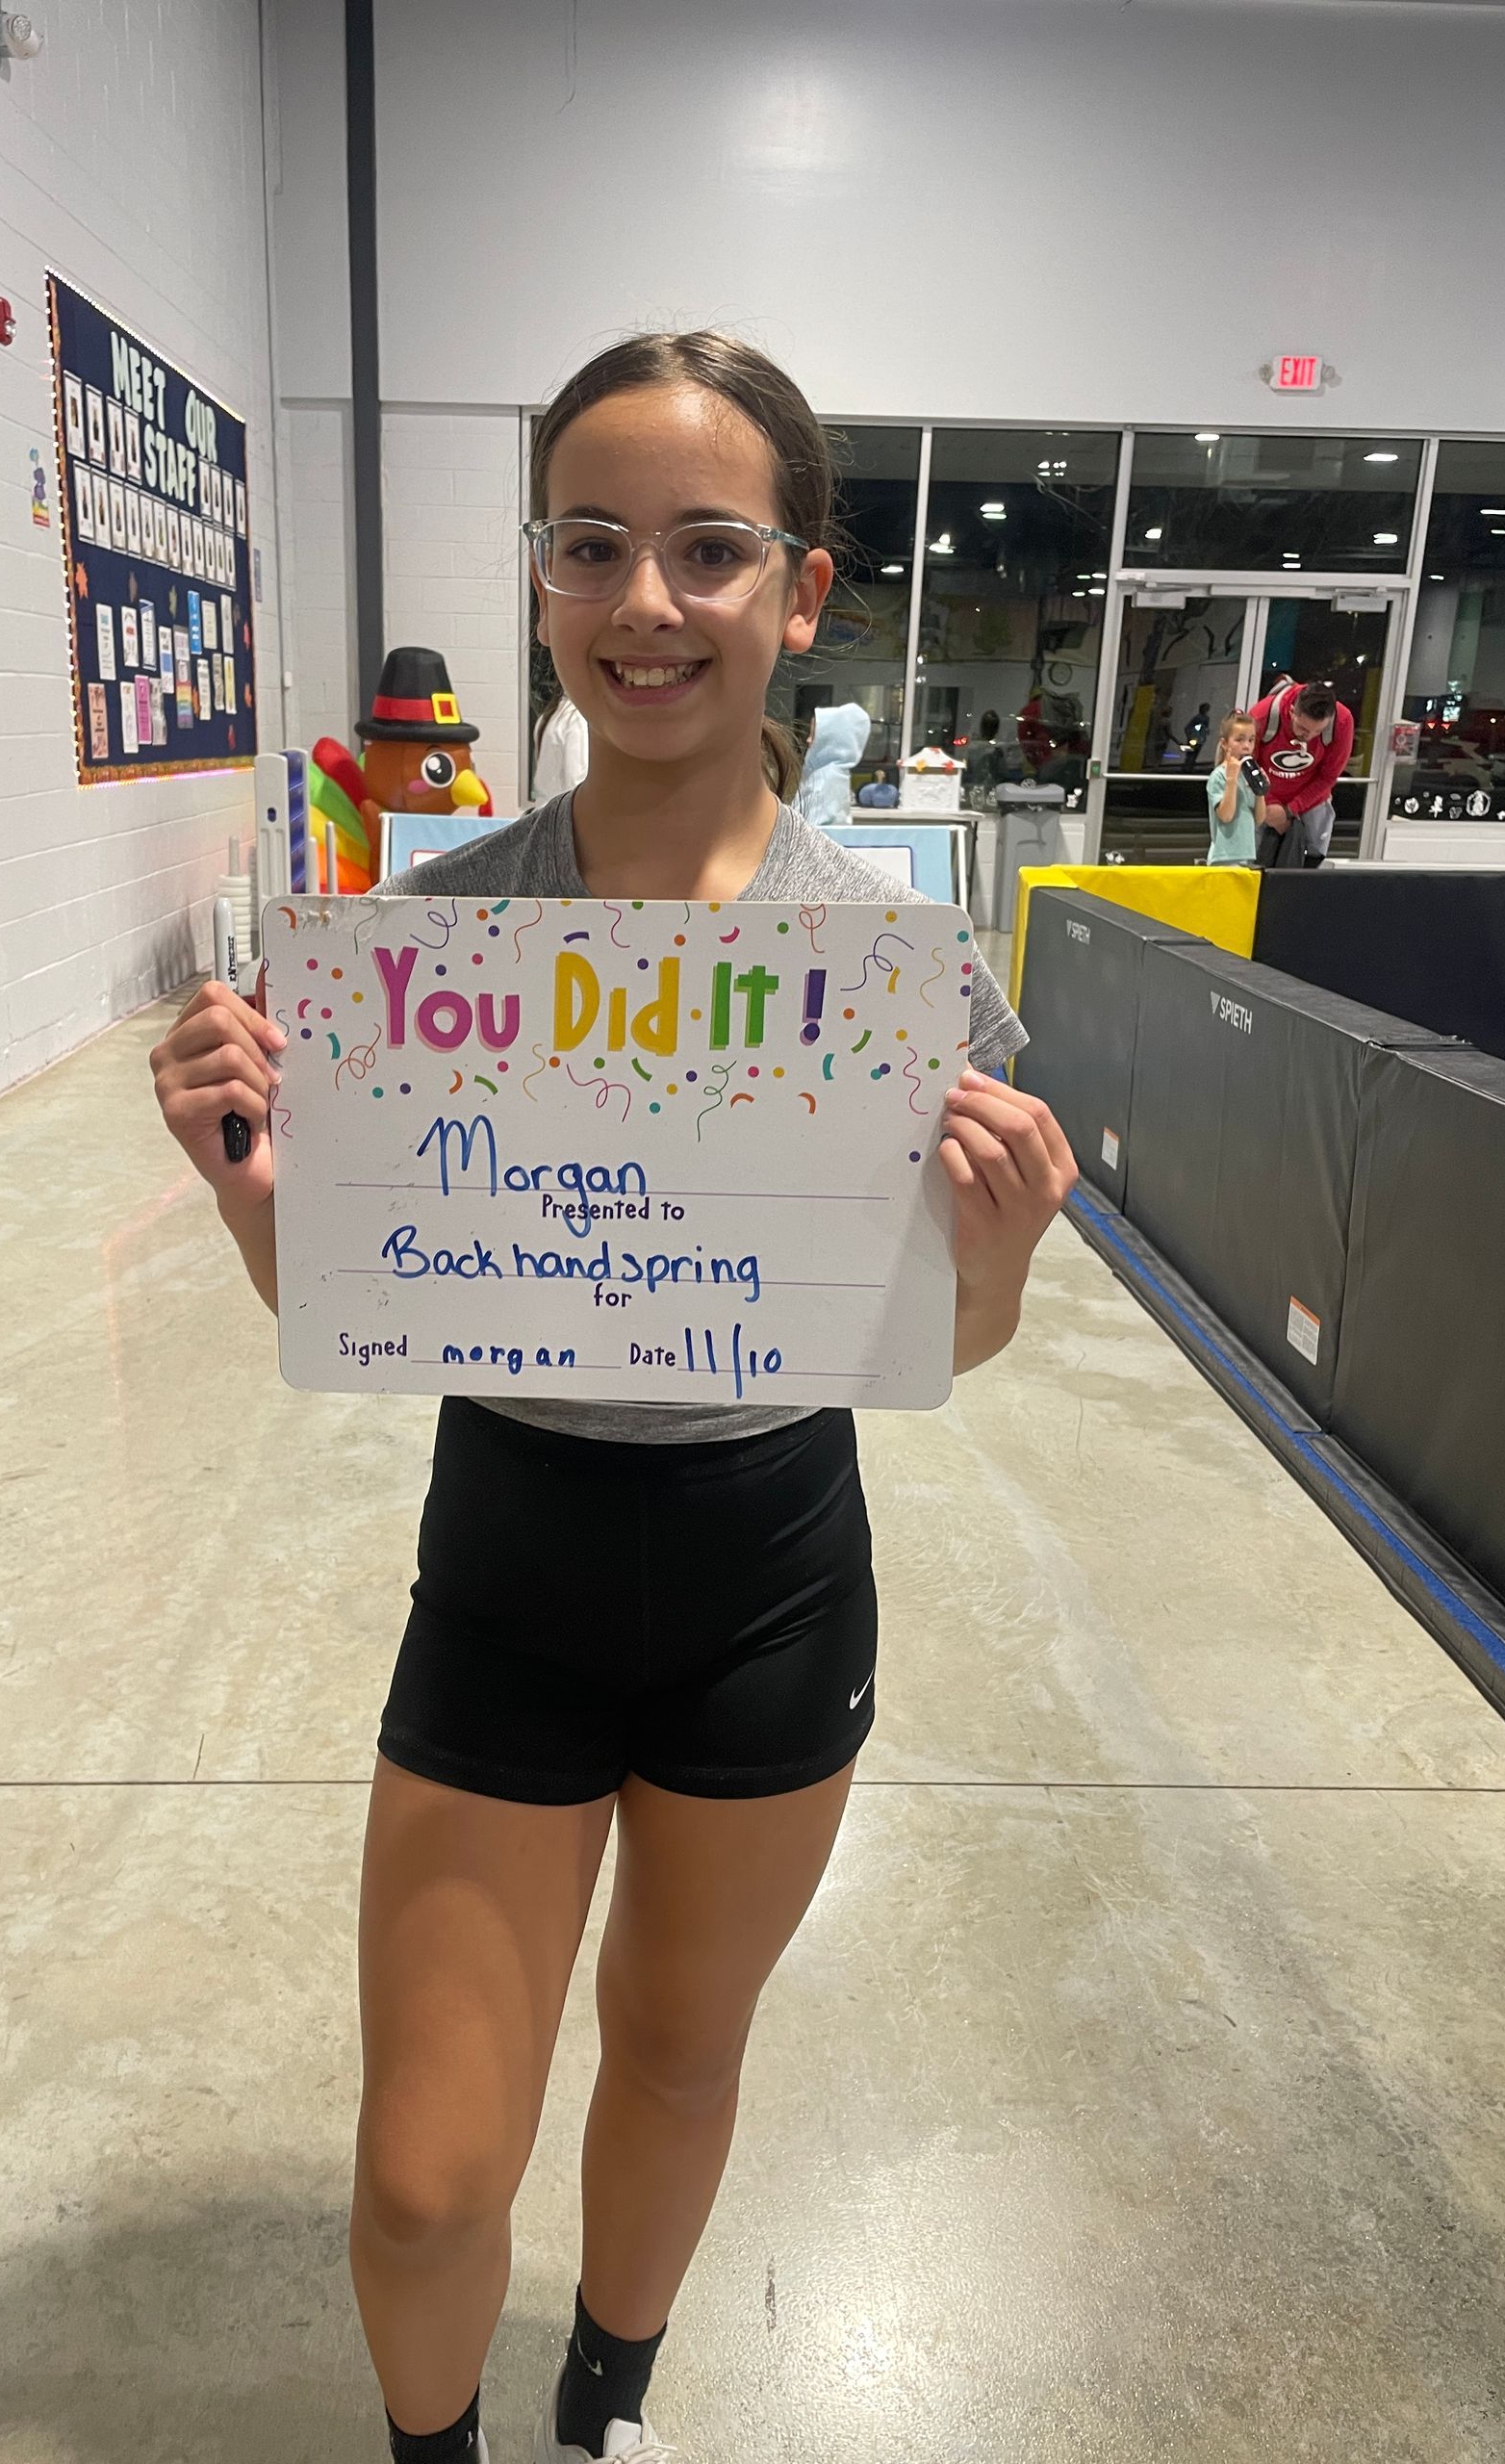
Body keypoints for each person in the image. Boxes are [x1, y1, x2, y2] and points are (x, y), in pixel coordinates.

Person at [148, 329, 1076, 2464]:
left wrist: (1001, 1244)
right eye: (595, 547)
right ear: (546, 579)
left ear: (800, 587)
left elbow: (937, 1333)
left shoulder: (889, 967)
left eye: (707, 549)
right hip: (511, 1562)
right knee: (425, 2173)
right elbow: (369, 1297)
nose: (647, 602)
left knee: (675, 2053)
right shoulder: (426, 940)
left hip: (770, 1580)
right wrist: (249, 1174)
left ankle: (607, 2400)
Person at [1251, 677, 1353, 869]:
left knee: (1314, 854)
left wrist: (1290, 809)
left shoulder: (1342, 721)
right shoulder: (1263, 715)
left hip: (1310, 799)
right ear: (1291, 712)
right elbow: (1248, 767)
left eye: (1318, 731)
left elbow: (1328, 777)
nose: (1310, 737)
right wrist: (1269, 804)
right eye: (1303, 729)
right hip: (1264, 795)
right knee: (1252, 860)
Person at [1204, 708, 1270, 864]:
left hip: (1246, 854)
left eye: (1251, 740)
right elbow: (1226, 816)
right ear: (1225, 744)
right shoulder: (1219, 776)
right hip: (1223, 856)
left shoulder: (1248, 774)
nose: (1246, 746)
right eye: (1239, 740)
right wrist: (1232, 779)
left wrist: (1260, 791)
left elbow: (1259, 819)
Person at [793, 698, 871, 826]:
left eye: (813, 735)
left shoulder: (826, 776)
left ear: (832, 738)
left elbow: (817, 823)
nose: (808, 740)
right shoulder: (830, 772)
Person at [533, 689, 591, 801]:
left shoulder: (551, 715)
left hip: (547, 809)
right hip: (562, 813)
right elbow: (576, 783)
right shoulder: (576, 720)